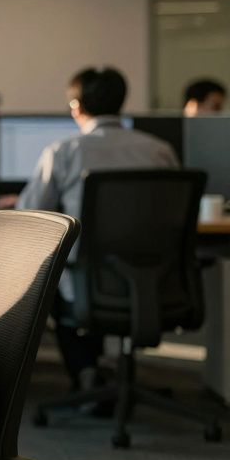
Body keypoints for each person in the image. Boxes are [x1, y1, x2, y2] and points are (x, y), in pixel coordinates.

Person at [14, 67, 178, 393]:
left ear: (76, 107)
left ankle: (86, 373)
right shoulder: (160, 150)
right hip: (155, 282)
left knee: (54, 279)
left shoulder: (64, 151)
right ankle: (103, 373)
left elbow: (28, 215)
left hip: (88, 285)